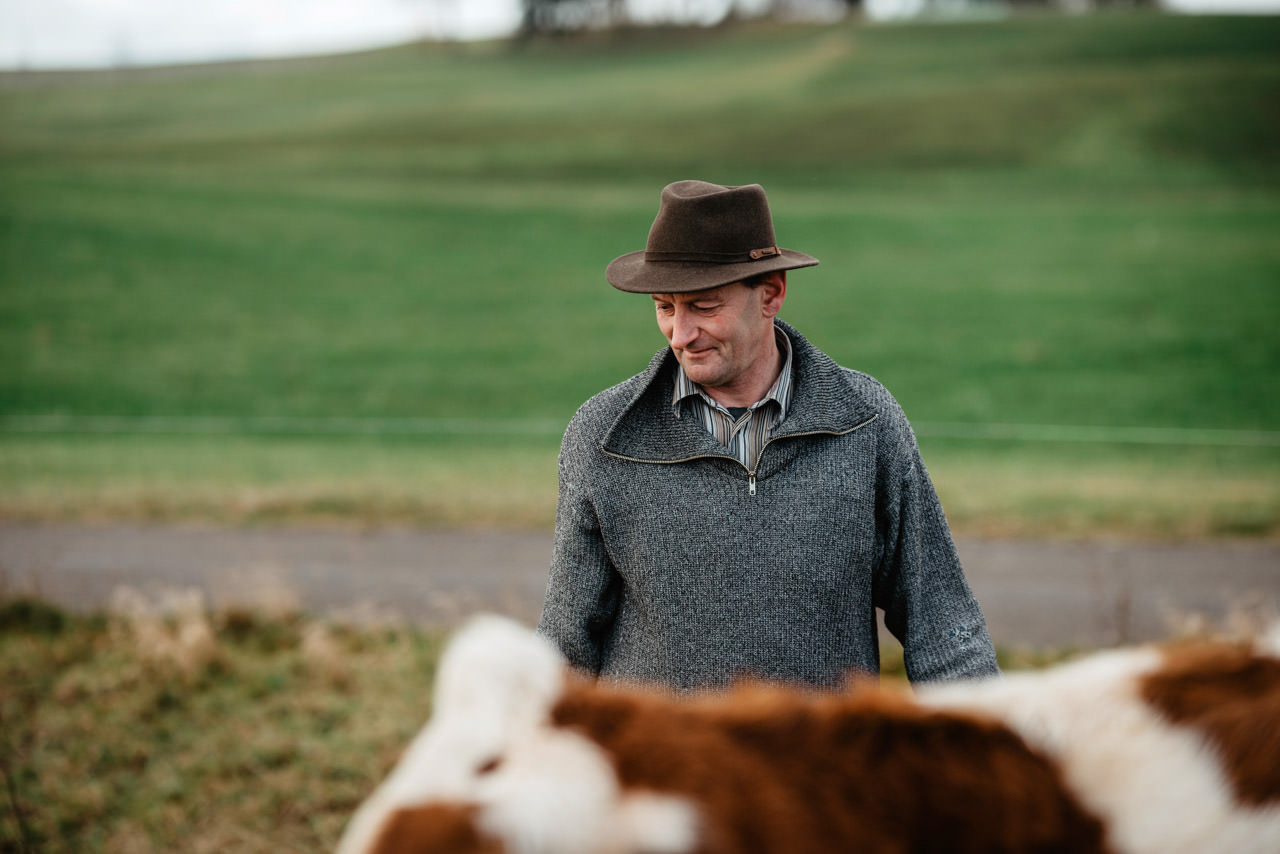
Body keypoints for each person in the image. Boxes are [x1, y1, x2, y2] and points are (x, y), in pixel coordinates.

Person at [536, 180, 999, 691]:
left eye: (704, 306)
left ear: (772, 293)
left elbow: (944, 629)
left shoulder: (867, 422)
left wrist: (992, 752)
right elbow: (564, 648)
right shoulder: (603, 435)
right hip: (659, 769)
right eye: (665, 306)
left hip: (816, 770)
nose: (680, 334)